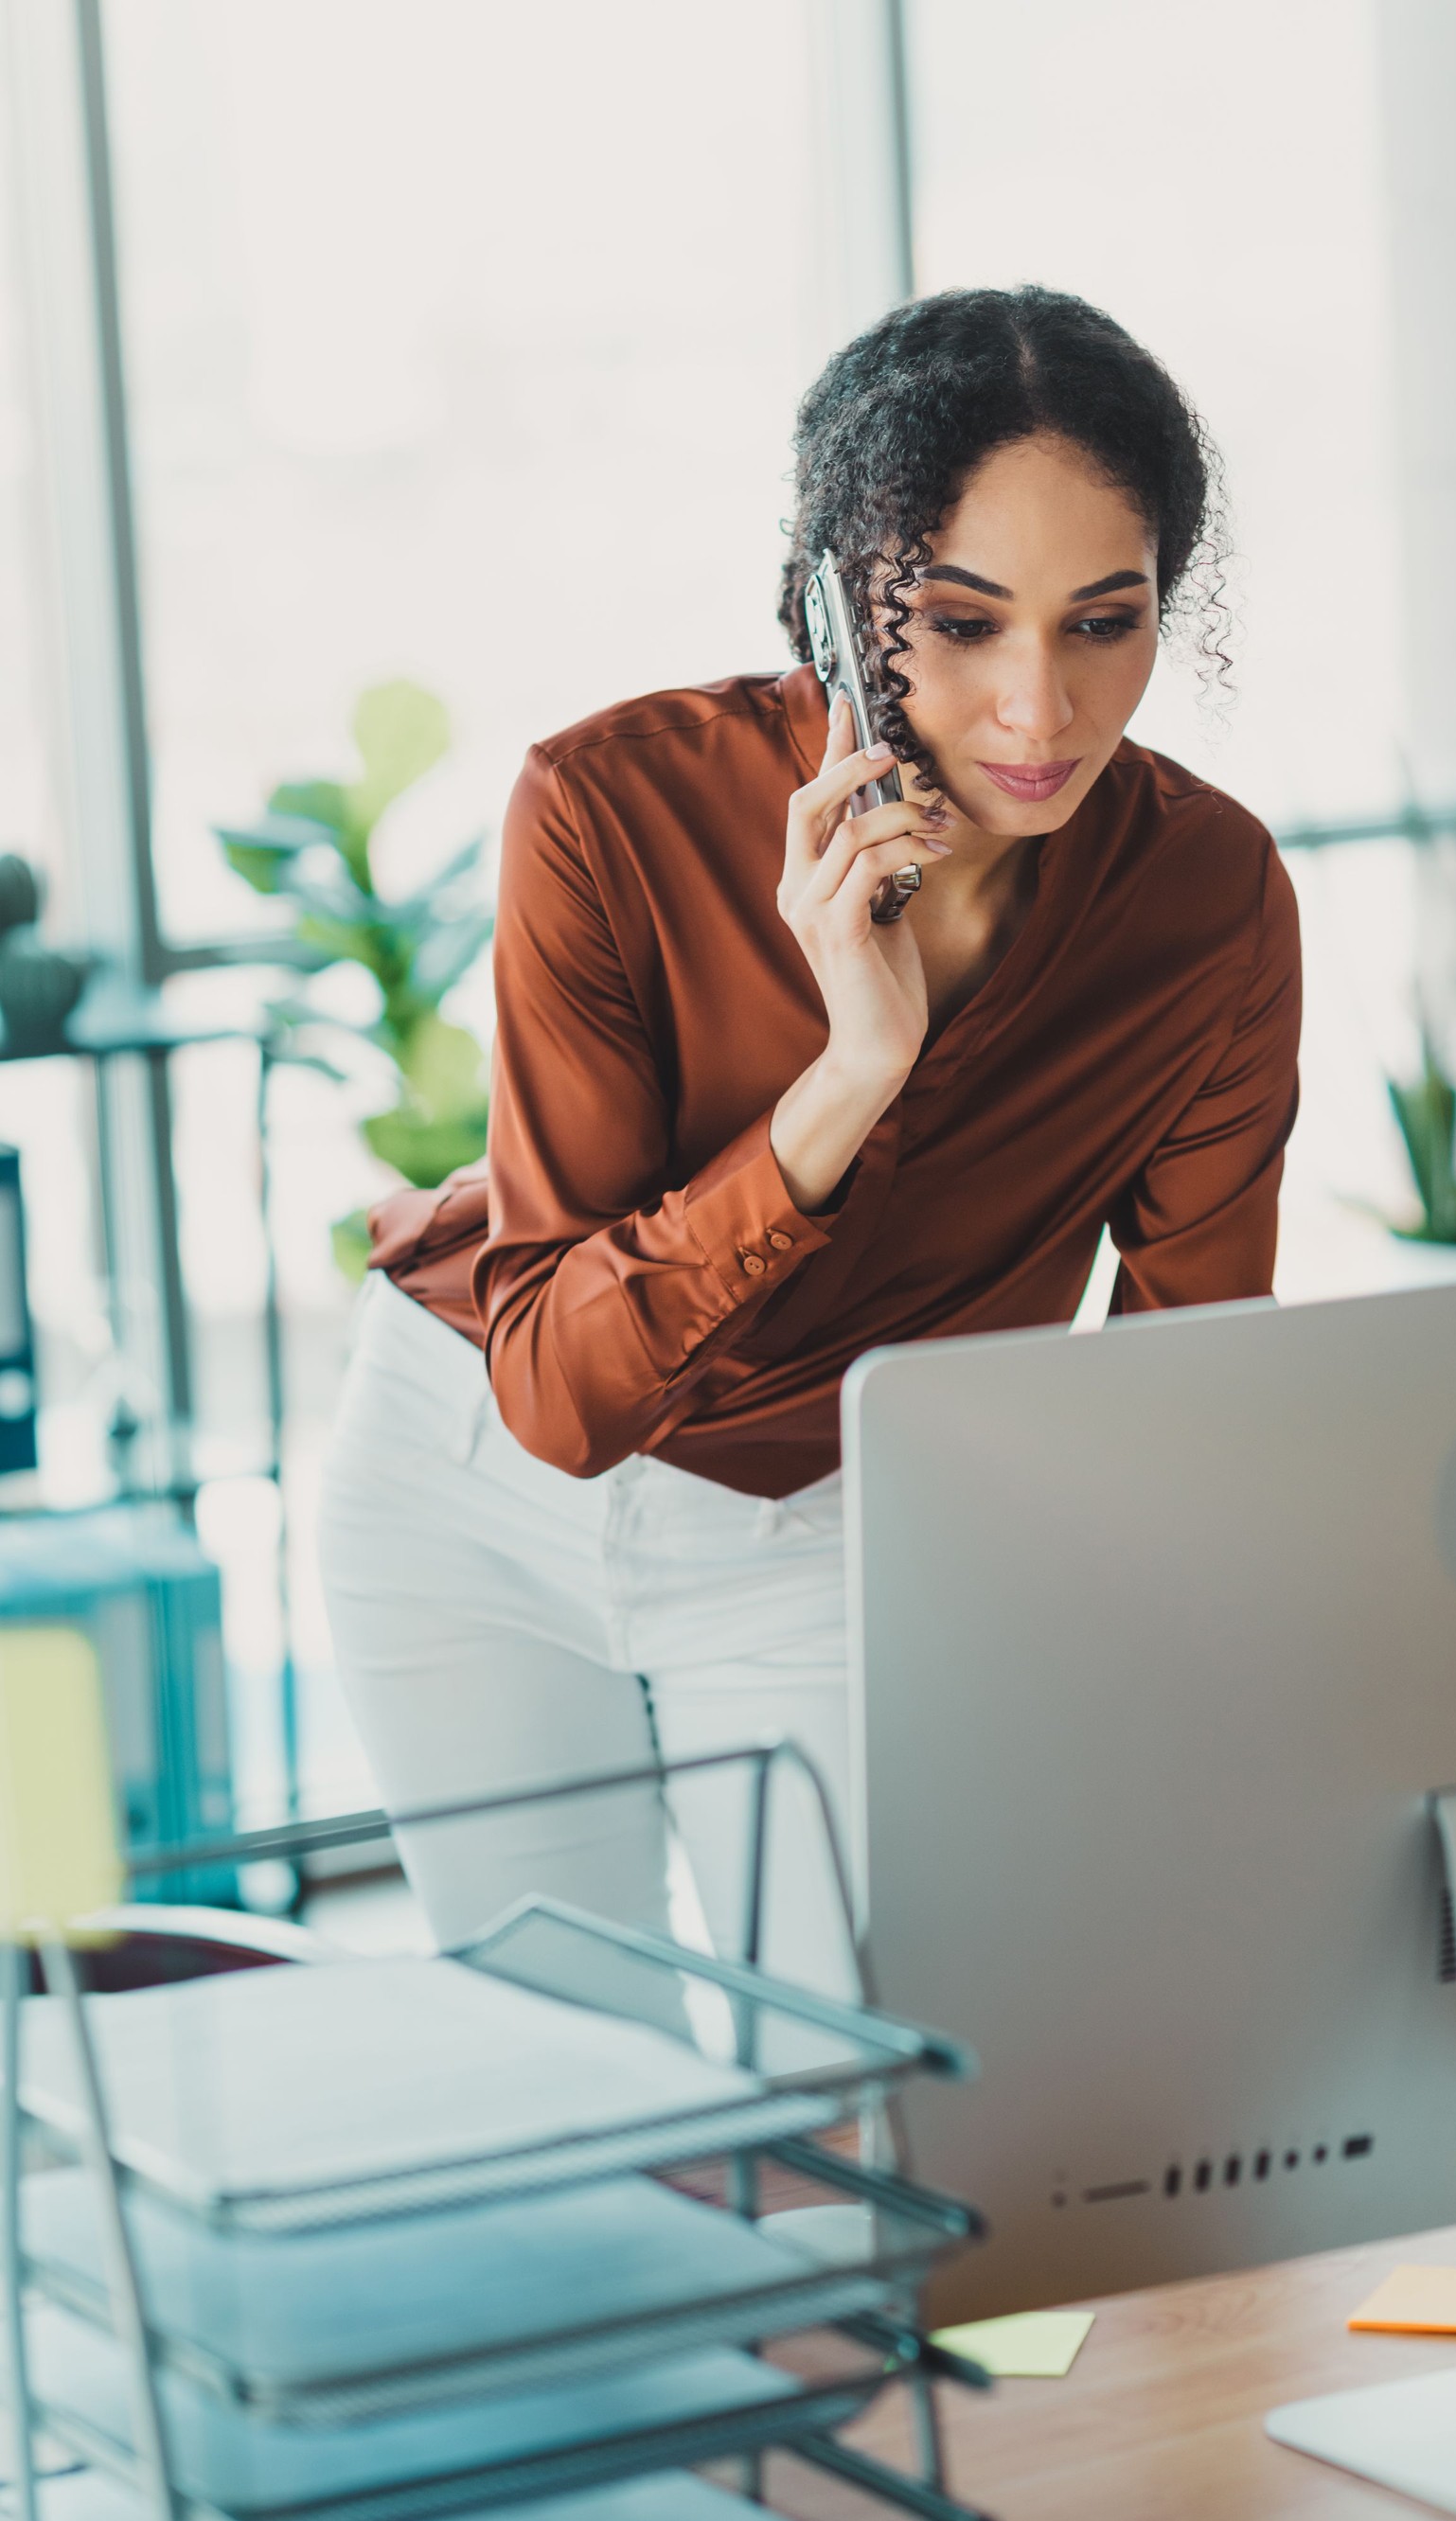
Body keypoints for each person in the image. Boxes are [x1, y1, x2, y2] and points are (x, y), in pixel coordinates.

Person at [316, 284, 1302, 1984]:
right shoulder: (612, 810)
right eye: (963, 621)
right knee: (579, 2102)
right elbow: (557, 1391)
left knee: (889, 2120)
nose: (1039, 711)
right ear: (844, 605)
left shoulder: (1205, 902)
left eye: (1103, 623)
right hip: (467, 1485)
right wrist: (847, 1077)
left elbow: (1184, 1375)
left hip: (834, 1522)